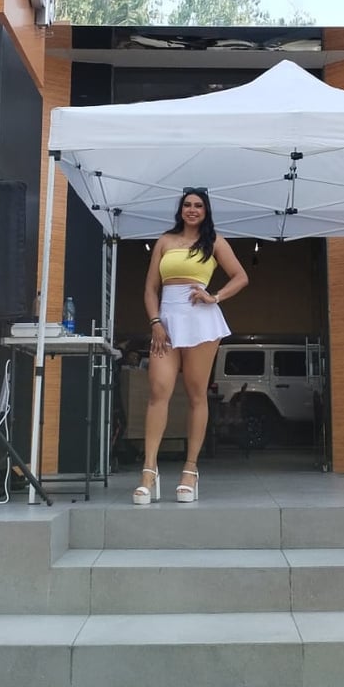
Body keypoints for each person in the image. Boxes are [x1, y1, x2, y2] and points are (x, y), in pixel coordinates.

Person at [133, 188, 248, 505]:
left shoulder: (215, 241)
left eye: (198, 205)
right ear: (180, 209)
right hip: (166, 323)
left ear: (206, 210)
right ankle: (149, 471)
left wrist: (215, 296)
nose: (192, 209)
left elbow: (240, 276)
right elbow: (150, 288)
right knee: (159, 391)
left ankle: (190, 470)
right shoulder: (165, 241)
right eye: (187, 204)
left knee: (197, 394)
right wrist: (155, 322)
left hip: (201, 322)